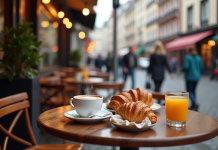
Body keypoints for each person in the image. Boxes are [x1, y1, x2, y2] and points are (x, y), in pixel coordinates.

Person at [181, 47, 203, 111]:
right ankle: (193, 105)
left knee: (189, 91)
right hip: (197, 77)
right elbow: (201, 67)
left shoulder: (188, 57)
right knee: (193, 91)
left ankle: (195, 103)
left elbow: (186, 66)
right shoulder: (198, 57)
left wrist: (181, 70)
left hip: (190, 77)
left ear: (189, 50)